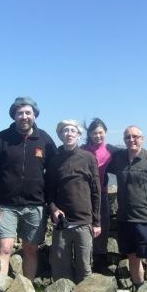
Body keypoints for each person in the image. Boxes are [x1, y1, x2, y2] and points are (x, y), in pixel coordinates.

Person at [0, 97, 57, 279]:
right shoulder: (2, 138)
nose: (24, 116)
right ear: (14, 116)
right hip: (5, 205)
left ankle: (27, 290)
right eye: (19, 113)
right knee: (4, 249)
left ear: (35, 115)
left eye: (28, 112)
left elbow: (55, 171)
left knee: (30, 249)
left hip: (35, 205)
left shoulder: (44, 140)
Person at [82, 118, 147, 273]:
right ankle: (82, 262)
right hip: (82, 195)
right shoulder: (83, 150)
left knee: (102, 229)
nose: (97, 136)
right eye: (94, 133)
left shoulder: (112, 151)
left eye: (100, 132)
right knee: (82, 227)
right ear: (89, 134)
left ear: (105, 133)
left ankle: (100, 262)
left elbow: (133, 151)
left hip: (102, 195)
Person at [107, 125, 147, 292]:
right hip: (124, 219)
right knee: (132, 258)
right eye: (127, 137)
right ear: (124, 140)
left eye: (135, 136)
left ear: (142, 139)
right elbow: (100, 149)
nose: (131, 140)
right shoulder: (119, 158)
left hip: (146, 219)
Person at [45, 119, 101, 283]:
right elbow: (49, 191)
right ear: (60, 135)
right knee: (61, 269)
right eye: (65, 131)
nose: (69, 134)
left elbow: (96, 191)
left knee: (85, 268)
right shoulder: (55, 161)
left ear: (78, 135)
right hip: (62, 223)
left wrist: (96, 222)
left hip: (84, 222)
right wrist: (53, 209)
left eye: (72, 131)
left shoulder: (88, 158)